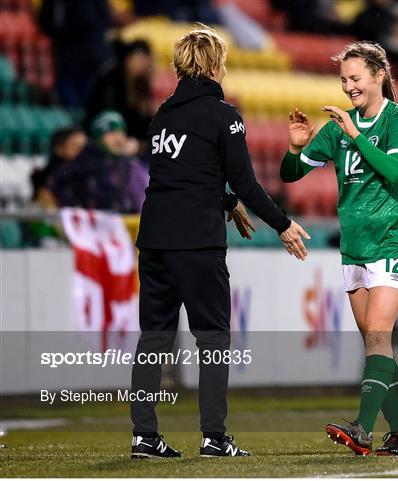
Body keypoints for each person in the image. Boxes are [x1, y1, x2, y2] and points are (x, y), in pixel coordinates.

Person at [131, 25, 309, 459]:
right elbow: (247, 182)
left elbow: (182, 177)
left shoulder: (163, 115)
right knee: (212, 339)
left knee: (153, 337)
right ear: (214, 64)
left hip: (154, 238)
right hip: (196, 242)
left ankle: (144, 436)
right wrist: (282, 223)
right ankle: (214, 436)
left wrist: (225, 201)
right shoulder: (222, 115)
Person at [280, 41, 398, 456]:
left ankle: (362, 429)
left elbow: (397, 170)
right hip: (355, 248)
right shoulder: (338, 128)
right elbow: (291, 176)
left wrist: (355, 134)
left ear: (379, 75)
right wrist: (294, 147)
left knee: (378, 336)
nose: (349, 87)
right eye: (343, 80)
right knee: (377, 344)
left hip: (394, 241)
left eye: (356, 78)